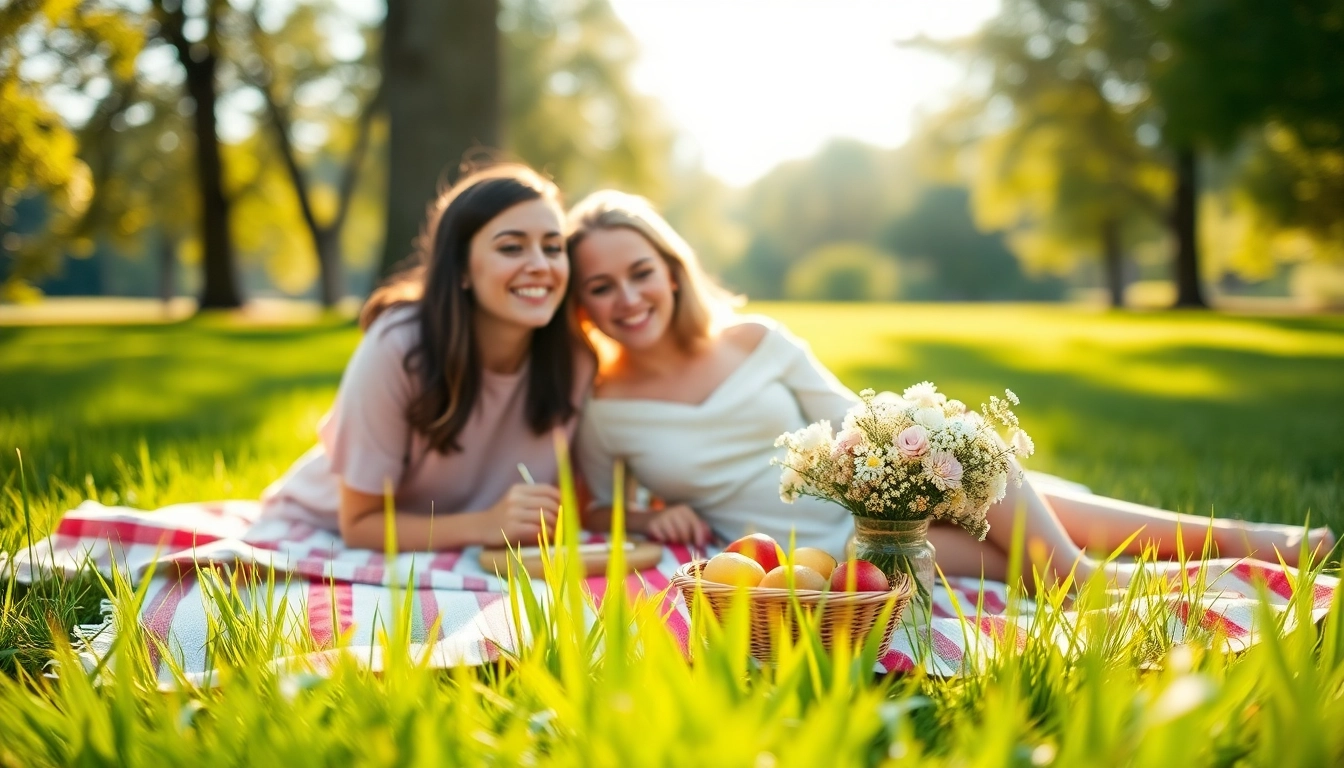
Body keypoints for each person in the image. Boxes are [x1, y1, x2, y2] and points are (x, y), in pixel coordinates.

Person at [567, 189, 1336, 586]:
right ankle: (1233, 564)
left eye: (639, 273)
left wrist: (918, 472)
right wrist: (659, 512)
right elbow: (598, 503)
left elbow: (860, 420)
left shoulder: (759, 339)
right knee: (1042, 565)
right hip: (830, 551)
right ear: (582, 304)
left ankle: (1250, 545)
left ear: (670, 270)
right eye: (600, 286)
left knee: (986, 474)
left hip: (889, 490)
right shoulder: (603, 405)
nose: (626, 299)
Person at [259, 164, 594, 551]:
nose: (540, 264)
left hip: (467, 547)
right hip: (321, 532)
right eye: (511, 247)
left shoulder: (576, 360)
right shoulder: (399, 345)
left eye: (553, 247)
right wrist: (486, 524)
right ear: (462, 269)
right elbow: (359, 525)